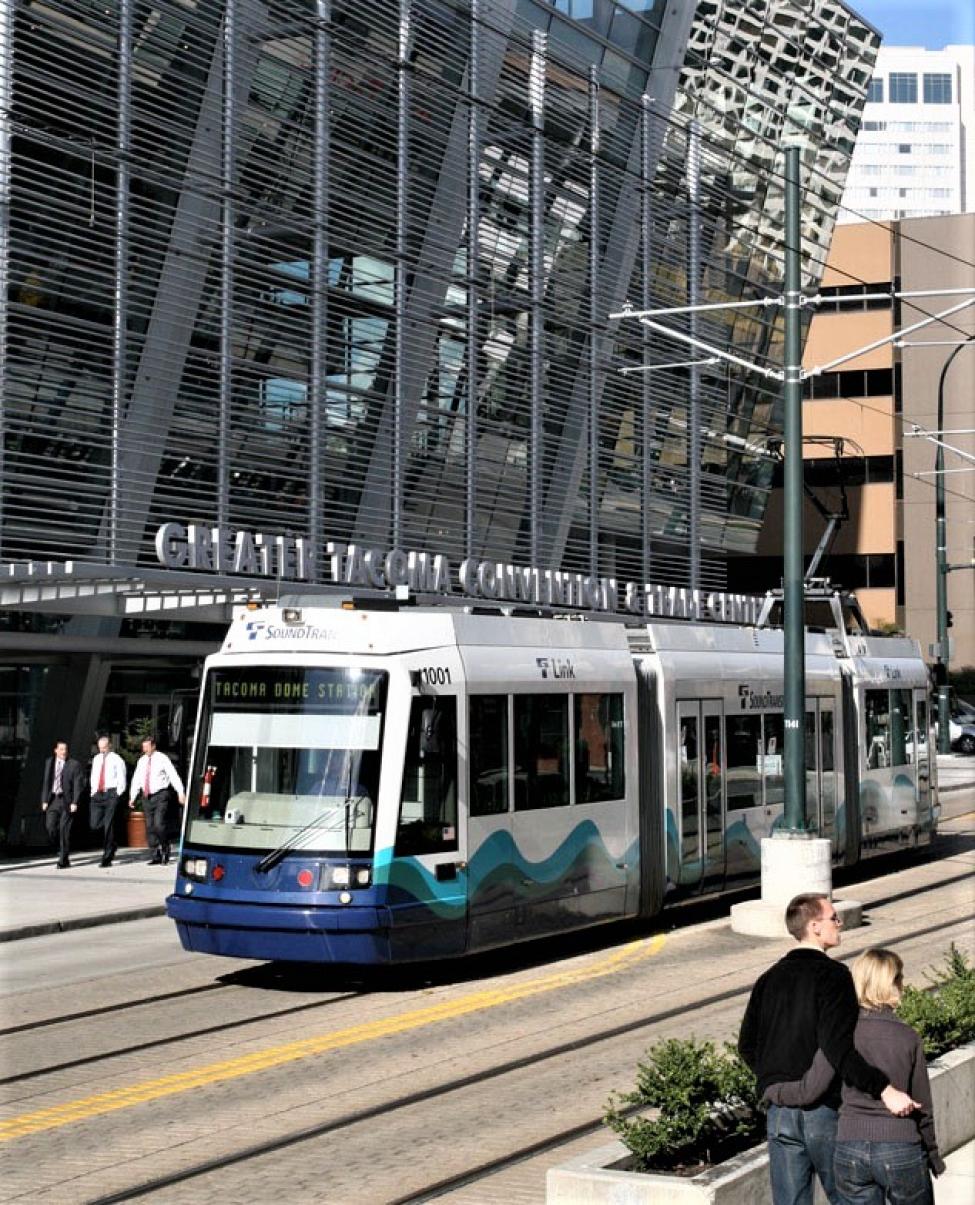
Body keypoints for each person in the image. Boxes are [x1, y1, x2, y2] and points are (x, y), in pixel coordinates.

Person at [738, 893, 919, 1205]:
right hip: (823, 1111)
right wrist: (884, 1089)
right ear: (814, 926)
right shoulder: (835, 976)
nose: (840, 923)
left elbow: (746, 1046)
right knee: (849, 1198)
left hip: (779, 1113)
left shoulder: (767, 979)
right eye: (834, 917)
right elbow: (839, 1047)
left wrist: (774, 1081)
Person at [767, 949, 944, 1205]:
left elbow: (810, 1089)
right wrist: (933, 1156)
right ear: (892, 985)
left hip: (850, 1147)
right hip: (900, 1146)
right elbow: (923, 1107)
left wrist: (774, 1090)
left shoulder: (839, 1035)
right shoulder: (908, 1037)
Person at [129, 736, 186, 865]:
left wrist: (180, 792)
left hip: (161, 794)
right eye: (143, 747)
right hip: (146, 796)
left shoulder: (162, 759)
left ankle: (166, 847)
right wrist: (132, 796)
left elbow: (173, 775)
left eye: (147, 747)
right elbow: (136, 779)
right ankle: (156, 853)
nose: (145, 749)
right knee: (150, 827)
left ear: (153, 746)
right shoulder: (142, 761)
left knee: (159, 824)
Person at [40, 740, 83, 868]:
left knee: (64, 830)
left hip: (66, 801)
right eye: (61, 749)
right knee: (50, 827)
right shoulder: (49, 762)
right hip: (52, 800)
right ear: (56, 750)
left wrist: (75, 802)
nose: (64, 752)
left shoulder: (74, 764)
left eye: (65, 749)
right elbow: (46, 782)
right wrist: (44, 800)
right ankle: (60, 847)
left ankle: (63, 860)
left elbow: (77, 785)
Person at [89, 735, 127, 867]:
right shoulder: (96, 759)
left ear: (109, 746)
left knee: (108, 825)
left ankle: (107, 856)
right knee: (94, 824)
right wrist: (93, 791)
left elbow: (122, 778)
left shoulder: (117, 760)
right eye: (100, 748)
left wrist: (117, 794)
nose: (102, 751)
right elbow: (94, 775)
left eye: (104, 748)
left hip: (111, 793)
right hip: (98, 794)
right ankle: (113, 844)